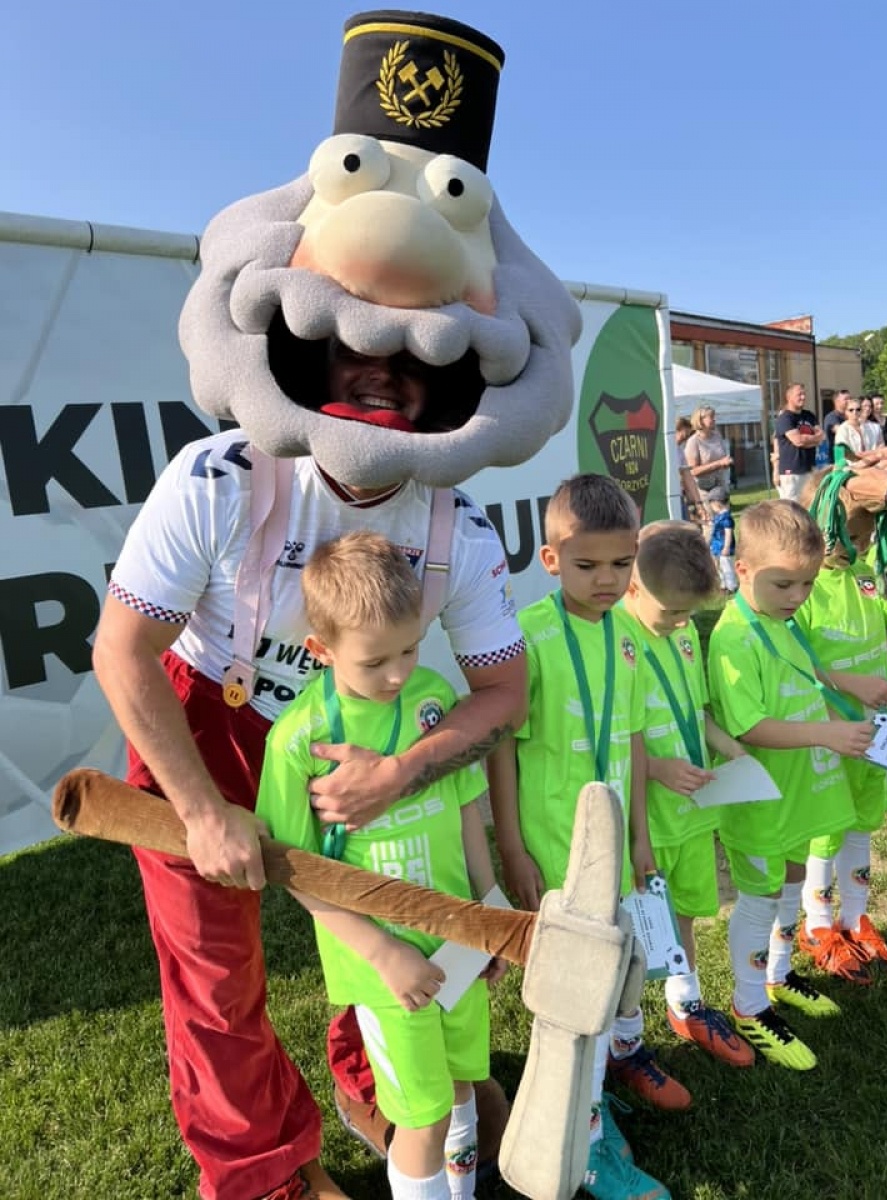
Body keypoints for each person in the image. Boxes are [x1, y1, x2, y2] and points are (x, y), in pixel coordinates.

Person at [90, 11, 583, 1200]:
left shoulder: (455, 530)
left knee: (395, 925)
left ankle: (384, 1089)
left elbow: (503, 689)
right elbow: (124, 648)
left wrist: (405, 771)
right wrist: (206, 810)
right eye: (358, 342)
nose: (383, 366)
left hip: (366, 736)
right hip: (208, 718)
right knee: (216, 974)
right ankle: (260, 1173)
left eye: (416, 356)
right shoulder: (217, 476)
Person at [256, 532, 505, 1200]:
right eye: (375, 662)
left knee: (459, 1088)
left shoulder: (431, 699)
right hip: (382, 968)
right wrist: (383, 951)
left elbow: (461, 806)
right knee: (418, 1117)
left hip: (455, 941)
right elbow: (292, 866)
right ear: (321, 649)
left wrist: (490, 911)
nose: (397, 673)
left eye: (409, 648)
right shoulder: (299, 738)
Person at [488, 473, 674, 1200]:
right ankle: (584, 1147)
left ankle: (591, 1105)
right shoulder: (527, 638)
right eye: (588, 564)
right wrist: (510, 843)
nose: (606, 580)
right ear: (550, 558)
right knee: (572, 993)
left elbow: (628, 740)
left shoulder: (628, 638)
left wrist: (639, 838)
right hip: (552, 847)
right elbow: (503, 744)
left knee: (605, 983)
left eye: (621, 565)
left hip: (610, 853)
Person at [707, 500, 870, 1070]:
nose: (798, 596)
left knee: (794, 877)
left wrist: (849, 686)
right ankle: (748, 1007)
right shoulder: (733, 640)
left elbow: (808, 672)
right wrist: (826, 734)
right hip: (757, 798)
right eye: (784, 583)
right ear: (742, 570)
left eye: (805, 582)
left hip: (799, 790)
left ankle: (777, 974)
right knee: (756, 895)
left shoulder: (783, 618)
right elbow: (750, 726)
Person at [619, 522, 754, 1069]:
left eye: (687, 616)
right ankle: (626, 1038)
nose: (680, 624)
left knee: (688, 914)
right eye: (671, 613)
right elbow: (614, 740)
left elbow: (694, 713)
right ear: (632, 587)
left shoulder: (680, 637)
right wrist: (656, 769)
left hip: (694, 811)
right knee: (635, 929)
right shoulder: (619, 645)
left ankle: (685, 1003)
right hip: (647, 818)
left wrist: (732, 749)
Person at [793, 474, 887, 982]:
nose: (855, 548)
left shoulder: (863, 575)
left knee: (863, 821)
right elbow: (795, 661)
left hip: (872, 733)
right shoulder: (803, 587)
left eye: (863, 539)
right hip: (830, 734)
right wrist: (850, 683)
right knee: (826, 832)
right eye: (846, 535)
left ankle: (856, 917)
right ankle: (817, 925)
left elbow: (883, 637)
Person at [773, 383, 825, 500]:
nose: (803, 397)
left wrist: (806, 440)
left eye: (804, 394)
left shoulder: (809, 415)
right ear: (789, 397)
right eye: (799, 394)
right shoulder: (785, 418)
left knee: (811, 505)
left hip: (810, 469)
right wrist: (812, 440)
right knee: (792, 508)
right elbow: (798, 441)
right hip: (792, 472)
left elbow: (821, 436)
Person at [683, 406, 732, 501]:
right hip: (704, 491)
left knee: (724, 515)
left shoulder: (717, 436)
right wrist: (719, 463)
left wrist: (727, 463)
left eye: (714, 416)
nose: (714, 419)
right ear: (700, 420)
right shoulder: (693, 441)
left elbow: (722, 458)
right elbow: (693, 471)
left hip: (721, 487)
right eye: (711, 417)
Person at [674, 414, 710, 525]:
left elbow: (687, 476)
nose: (687, 437)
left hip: (678, 496)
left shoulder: (679, 450)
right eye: (685, 433)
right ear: (677, 429)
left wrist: (698, 503)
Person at [707, 497, 737, 593]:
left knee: (727, 566)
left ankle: (731, 586)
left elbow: (728, 533)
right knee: (719, 567)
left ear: (717, 504)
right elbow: (714, 528)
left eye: (711, 505)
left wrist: (726, 547)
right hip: (717, 547)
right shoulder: (719, 516)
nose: (711, 508)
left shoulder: (726, 518)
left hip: (723, 547)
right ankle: (723, 585)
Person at [823, 389, 850, 463]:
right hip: (837, 459)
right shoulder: (832, 417)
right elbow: (841, 432)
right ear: (837, 401)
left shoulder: (849, 416)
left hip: (850, 458)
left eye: (850, 398)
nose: (849, 401)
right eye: (846, 399)